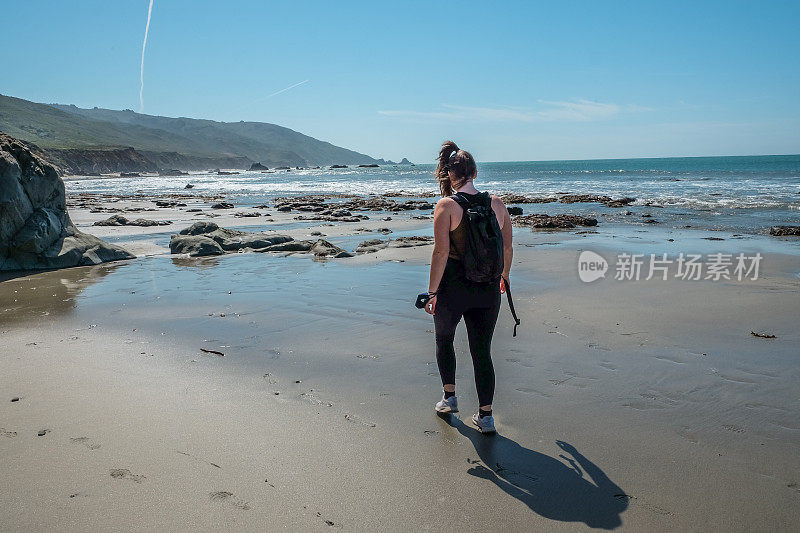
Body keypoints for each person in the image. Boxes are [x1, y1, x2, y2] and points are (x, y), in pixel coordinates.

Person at [424, 140, 513, 434]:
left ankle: (449, 398)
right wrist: (504, 276)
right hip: (488, 288)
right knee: (482, 351)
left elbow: (440, 252)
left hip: (453, 289)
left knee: (444, 340)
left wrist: (432, 292)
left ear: (451, 174)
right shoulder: (497, 204)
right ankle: (486, 417)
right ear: (474, 172)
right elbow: (508, 246)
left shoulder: (446, 206)